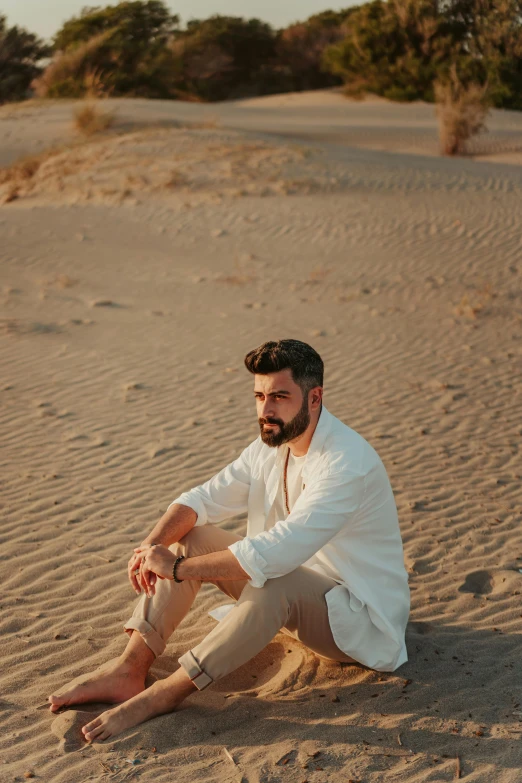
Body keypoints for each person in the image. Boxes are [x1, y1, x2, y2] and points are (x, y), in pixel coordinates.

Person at [48, 338, 410, 742]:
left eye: (279, 396)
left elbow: (276, 553)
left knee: (275, 581)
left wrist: (177, 568)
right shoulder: (272, 444)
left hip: (353, 619)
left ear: (314, 398)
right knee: (192, 536)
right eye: (259, 396)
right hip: (285, 595)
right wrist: (151, 548)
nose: (266, 410)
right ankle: (129, 670)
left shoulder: (346, 464)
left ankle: (165, 694)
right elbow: (202, 499)